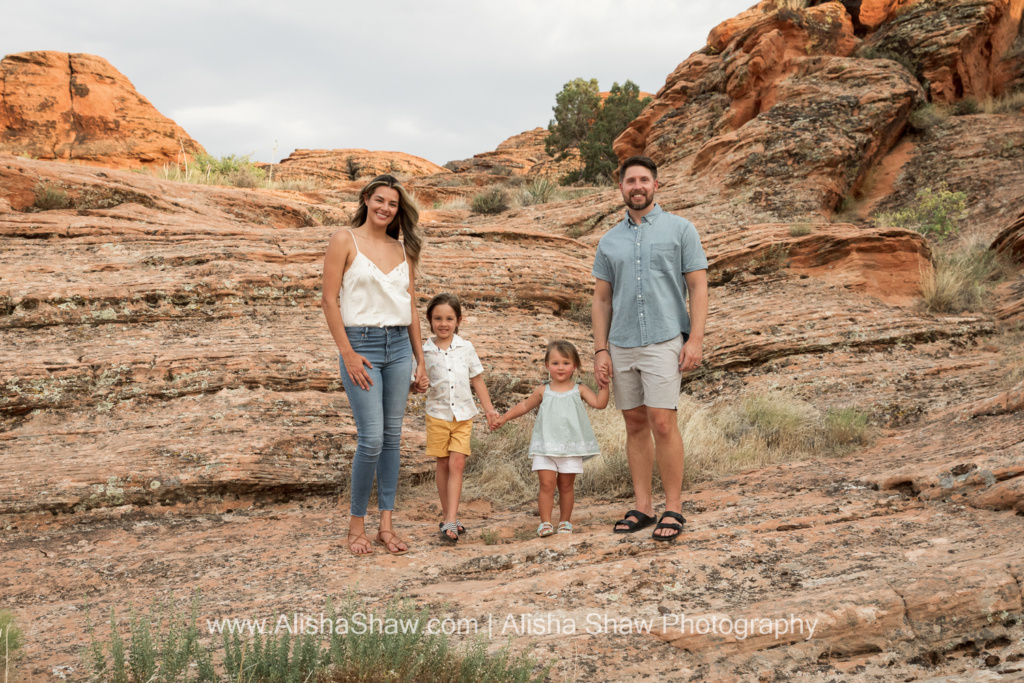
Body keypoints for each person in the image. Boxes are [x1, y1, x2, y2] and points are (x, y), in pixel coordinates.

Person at [591, 155, 708, 542]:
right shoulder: (609, 241)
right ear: (621, 188)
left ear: (656, 185)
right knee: (635, 424)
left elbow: (698, 286)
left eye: (644, 180)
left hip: (664, 339)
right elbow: (602, 300)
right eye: (630, 181)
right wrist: (600, 350)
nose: (637, 186)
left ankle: (673, 507)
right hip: (621, 343)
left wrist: (695, 339)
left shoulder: (681, 230)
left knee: (662, 421)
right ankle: (643, 507)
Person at [321, 174, 427, 556]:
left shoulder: (402, 249)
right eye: (379, 200)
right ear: (367, 199)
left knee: (392, 440)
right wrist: (347, 353)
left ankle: (386, 525)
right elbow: (330, 301)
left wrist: (421, 360)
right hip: (361, 346)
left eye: (393, 204)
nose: (385, 208)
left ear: (399, 210)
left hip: (398, 347)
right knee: (371, 439)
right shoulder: (343, 240)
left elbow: (411, 307)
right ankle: (355, 528)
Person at [494, 340, 609, 537]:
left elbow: (599, 403)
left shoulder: (578, 389)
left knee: (566, 485)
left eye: (566, 363)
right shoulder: (543, 390)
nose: (560, 367)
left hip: (570, 448)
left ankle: (565, 521)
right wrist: (504, 418)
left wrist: (605, 384)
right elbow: (524, 406)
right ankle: (545, 523)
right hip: (545, 446)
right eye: (555, 363)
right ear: (547, 366)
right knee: (546, 485)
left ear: (575, 366)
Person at [421, 293, 500, 544]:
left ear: (458, 320)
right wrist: (416, 385)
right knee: (443, 464)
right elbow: (416, 383)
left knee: (457, 464)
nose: (443, 323)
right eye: (438, 318)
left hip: (463, 414)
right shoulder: (423, 350)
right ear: (430, 320)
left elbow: (477, 379)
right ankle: (448, 516)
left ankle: (452, 518)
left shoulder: (466, 347)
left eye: (449, 318)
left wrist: (489, 410)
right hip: (437, 415)